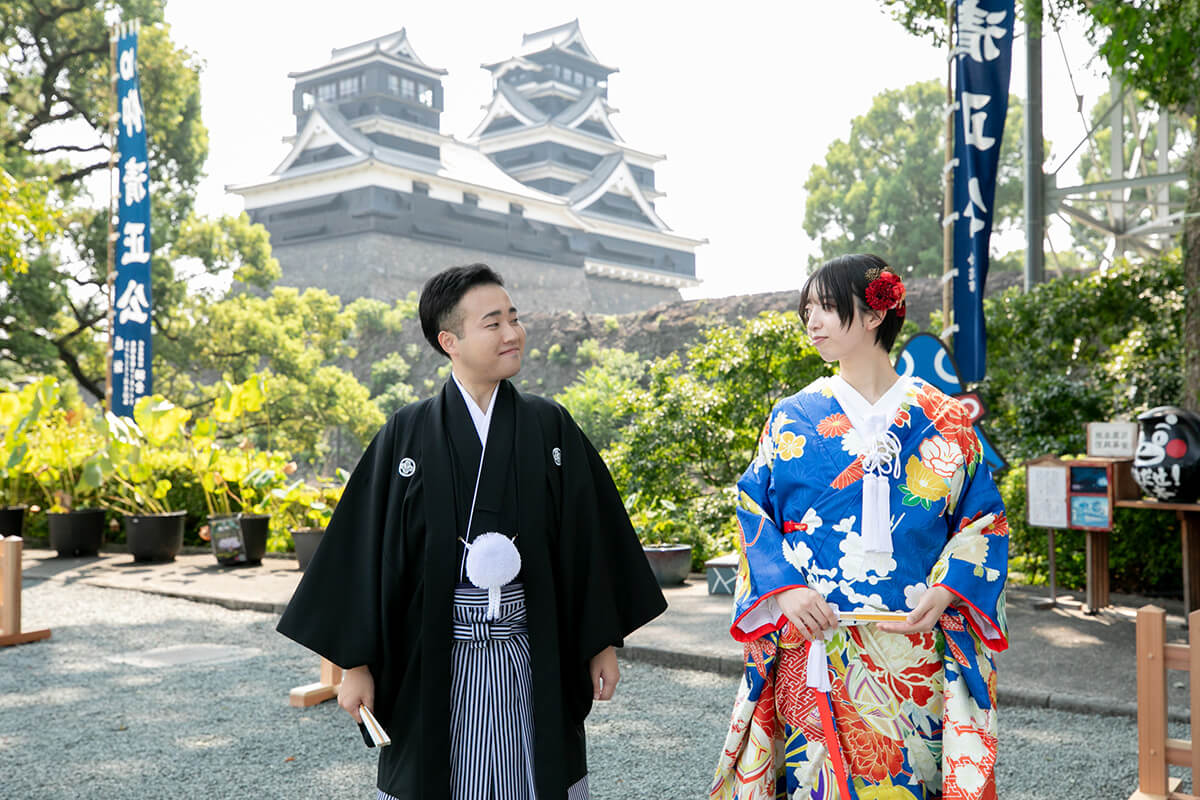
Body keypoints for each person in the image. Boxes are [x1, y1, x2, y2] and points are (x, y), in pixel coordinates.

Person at [277, 263, 667, 800]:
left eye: (515, 318)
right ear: (449, 341)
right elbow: (362, 554)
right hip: (431, 657)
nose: (513, 333)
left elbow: (589, 541)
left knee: (534, 776)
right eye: (493, 323)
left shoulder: (549, 425)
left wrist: (600, 641)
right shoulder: (407, 434)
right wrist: (356, 664)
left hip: (532, 649)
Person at [710, 254, 1008, 800]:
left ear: (875, 315)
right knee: (815, 784)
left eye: (825, 307)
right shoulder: (793, 415)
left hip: (914, 646)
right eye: (807, 310)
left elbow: (983, 518)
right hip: (815, 640)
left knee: (911, 781)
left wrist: (947, 590)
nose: (812, 322)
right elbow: (753, 507)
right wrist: (786, 588)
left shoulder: (943, 417)